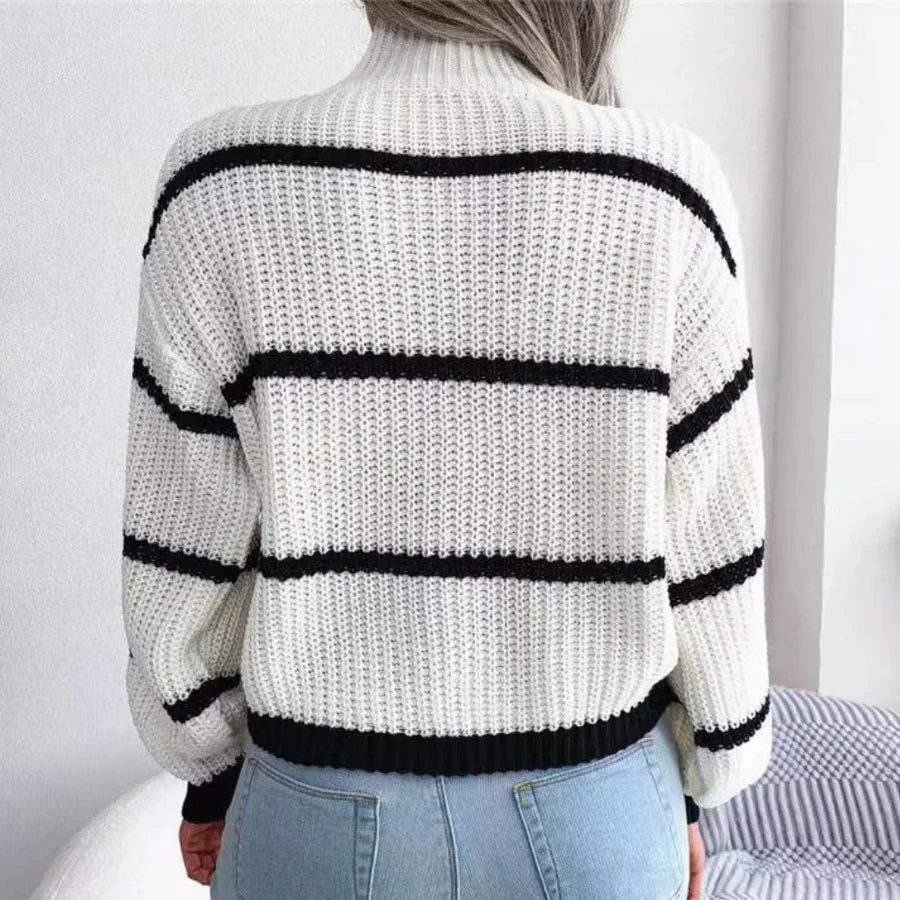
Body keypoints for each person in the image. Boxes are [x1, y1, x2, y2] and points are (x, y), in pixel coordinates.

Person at [120, 1, 772, 897]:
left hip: (315, 810)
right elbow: (710, 558)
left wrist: (209, 774)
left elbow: (181, 553)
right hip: (596, 815)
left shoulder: (221, 182)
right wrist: (693, 789)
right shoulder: (665, 189)